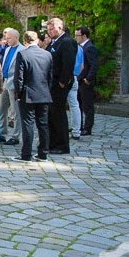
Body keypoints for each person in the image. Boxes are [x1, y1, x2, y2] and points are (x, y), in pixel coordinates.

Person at [12, 31, 53, 162]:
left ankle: (26, 154)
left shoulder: (22, 54)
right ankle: (43, 153)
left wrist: (18, 94)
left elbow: (19, 77)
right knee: (43, 124)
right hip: (44, 93)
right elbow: (50, 76)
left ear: (25, 41)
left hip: (27, 94)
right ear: (37, 40)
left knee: (28, 124)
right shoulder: (47, 54)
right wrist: (47, 90)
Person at [46, 17, 77, 154]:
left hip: (59, 84)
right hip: (51, 84)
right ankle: (52, 143)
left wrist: (63, 82)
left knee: (58, 115)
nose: (50, 32)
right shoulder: (54, 43)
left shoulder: (67, 42)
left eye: (51, 29)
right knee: (51, 115)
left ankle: (62, 145)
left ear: (60, 28)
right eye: (48, 30)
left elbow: (68, 64)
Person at [0, 29, 22, 146]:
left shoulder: (22, 50)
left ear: (16, 38)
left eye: (9, 38)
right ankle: (2, 132)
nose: (6, 40)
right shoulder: (7, 49)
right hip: (5, 81)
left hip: (14, 82)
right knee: (1, 107)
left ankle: (16, 135)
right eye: (6, 38)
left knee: (15, 110)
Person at [76, 26, 98, 136]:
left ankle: (87, 128)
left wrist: (88, 79)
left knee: (87, 105)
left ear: (84, 36)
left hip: (86, 81)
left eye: (77, 36)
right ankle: (79, 126)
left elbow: (94, 65)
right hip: (80, 79)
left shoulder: (89, 47)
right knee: (79, 104)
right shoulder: (81, 47)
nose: (76, 38)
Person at [67, 29, 85, 140]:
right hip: (74, 77)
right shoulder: (79, 48)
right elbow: (82, 66)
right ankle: (76, 130)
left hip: (65, 77)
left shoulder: (65, 46)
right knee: (74, 105)